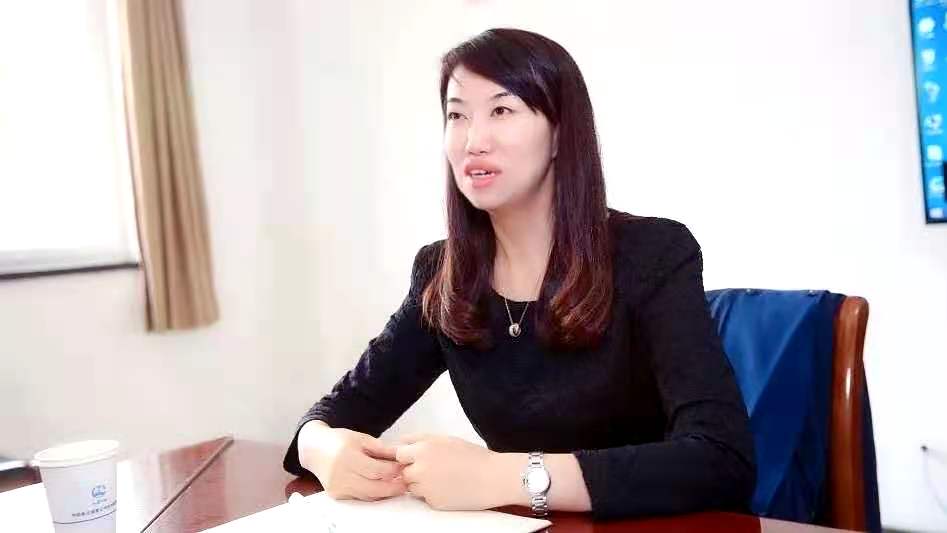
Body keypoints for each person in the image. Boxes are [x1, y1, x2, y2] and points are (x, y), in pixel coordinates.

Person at [283, 28, 755, 520]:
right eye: (457, 115)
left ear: (559, 134)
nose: (474, 140)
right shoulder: (442, 274)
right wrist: (323, 449)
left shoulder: (653, 253)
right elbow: (334, 415)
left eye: (502, 111)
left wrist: (503, 477)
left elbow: (722, 459)